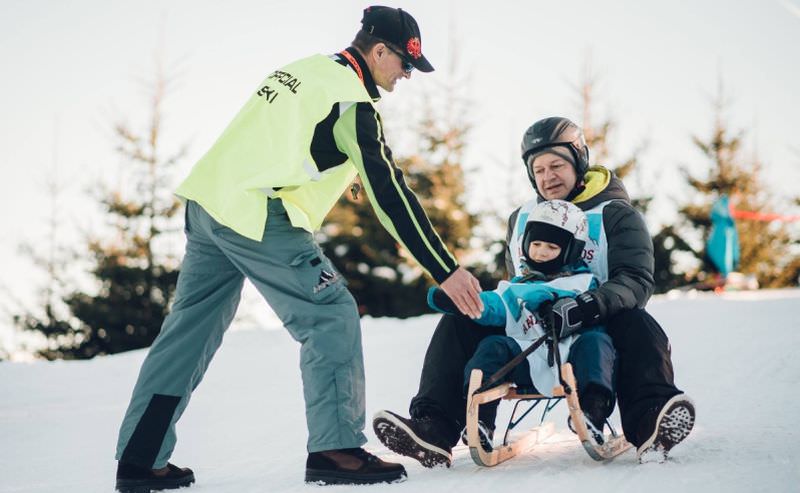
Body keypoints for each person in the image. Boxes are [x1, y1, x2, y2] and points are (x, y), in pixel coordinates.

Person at [113, 6, 484, 491]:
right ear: (378, 52)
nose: (406, 76)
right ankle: (337, 449)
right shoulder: (354, 102)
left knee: (187, 334)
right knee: (329, 311)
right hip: (256, 213)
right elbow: (389, 191)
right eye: (404, 63)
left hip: (209, 203)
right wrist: (446, 268)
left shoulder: (304, 70)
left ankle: (140, 458)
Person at [372, 116, 695, 467]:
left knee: (639, 324)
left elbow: (636, 280)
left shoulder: (615, 214)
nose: (548, 176)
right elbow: (518, 285)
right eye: (538, 169)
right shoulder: (522, 218)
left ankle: (651, 422)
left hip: (600, 326)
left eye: (557, 165)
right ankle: (433, 427)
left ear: (579, 162)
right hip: (536, 332)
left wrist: (587, 306)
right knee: (460, 322)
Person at [424, 200, 616, 453]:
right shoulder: (514, 288)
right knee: (492, 346)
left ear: (570, 250)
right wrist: (460, 302)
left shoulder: (584, 283)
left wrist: (559, 303)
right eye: (536, 244)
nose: (541, 252)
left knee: (597, 343)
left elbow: (595, 315)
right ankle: (481, 420)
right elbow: (492, 306)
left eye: (551, 247)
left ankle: (592, 412)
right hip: (524, 359)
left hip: (572, 359)